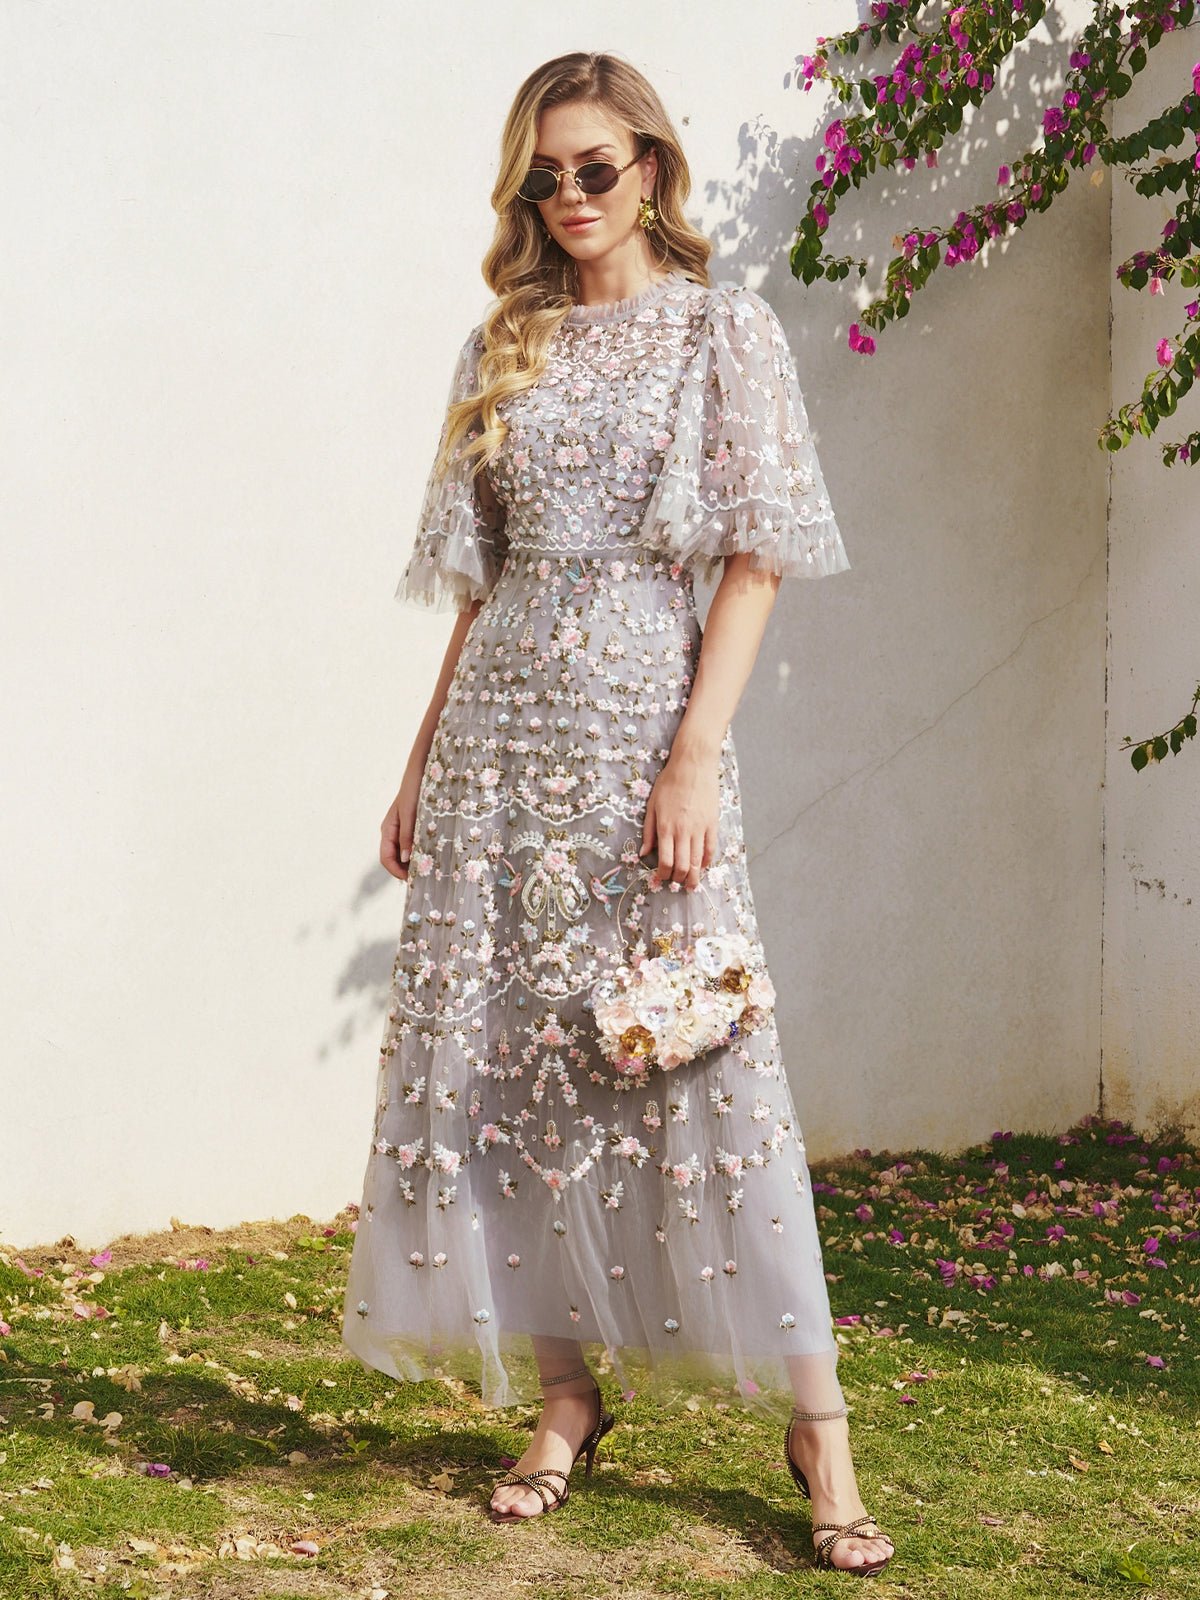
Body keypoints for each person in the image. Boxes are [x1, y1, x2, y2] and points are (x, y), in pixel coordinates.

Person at [340, 49, 893, 1578]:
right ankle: (568, 1400)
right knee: (512, 1068)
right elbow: (479, 586)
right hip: (499, 752)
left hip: (646, 738)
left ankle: (818, 1423)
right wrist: (417, 763)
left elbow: (755, 561)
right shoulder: (499, 346)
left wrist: (698, 757)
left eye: (596, 166)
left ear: (653, 167)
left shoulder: (723, 333)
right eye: (546, 175)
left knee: (706, 1056)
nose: (571, 197)